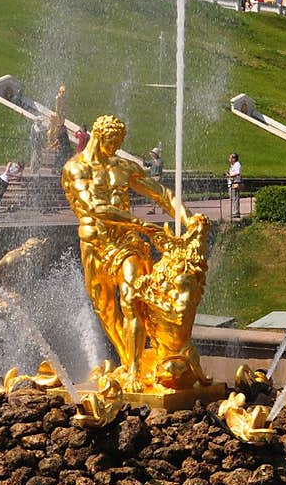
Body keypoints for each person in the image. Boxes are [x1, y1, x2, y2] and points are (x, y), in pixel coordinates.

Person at [60, 113, 209, 394]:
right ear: (98, 136)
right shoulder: (75, 169)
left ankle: (132, 370)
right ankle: (130, 360)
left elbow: (161, 194)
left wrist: (189, 219)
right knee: (104, 307)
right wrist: (143, 224)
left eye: (120, 141)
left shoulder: (123, 167)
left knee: (132, 300)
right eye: (113, 141)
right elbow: (94, 207)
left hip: (128, 243)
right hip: (94, 244)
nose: (116, 146)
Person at [226, 151, 242, 219]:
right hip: (232, 184)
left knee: (235, 198)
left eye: (230, 158)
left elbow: (237, 173)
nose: (229, 159)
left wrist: (230, 175)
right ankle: (234, 212)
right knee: (233, 198)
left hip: (234, 184)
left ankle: (235, 213)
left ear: (234, 159)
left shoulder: (237, 164)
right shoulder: (233, 165)